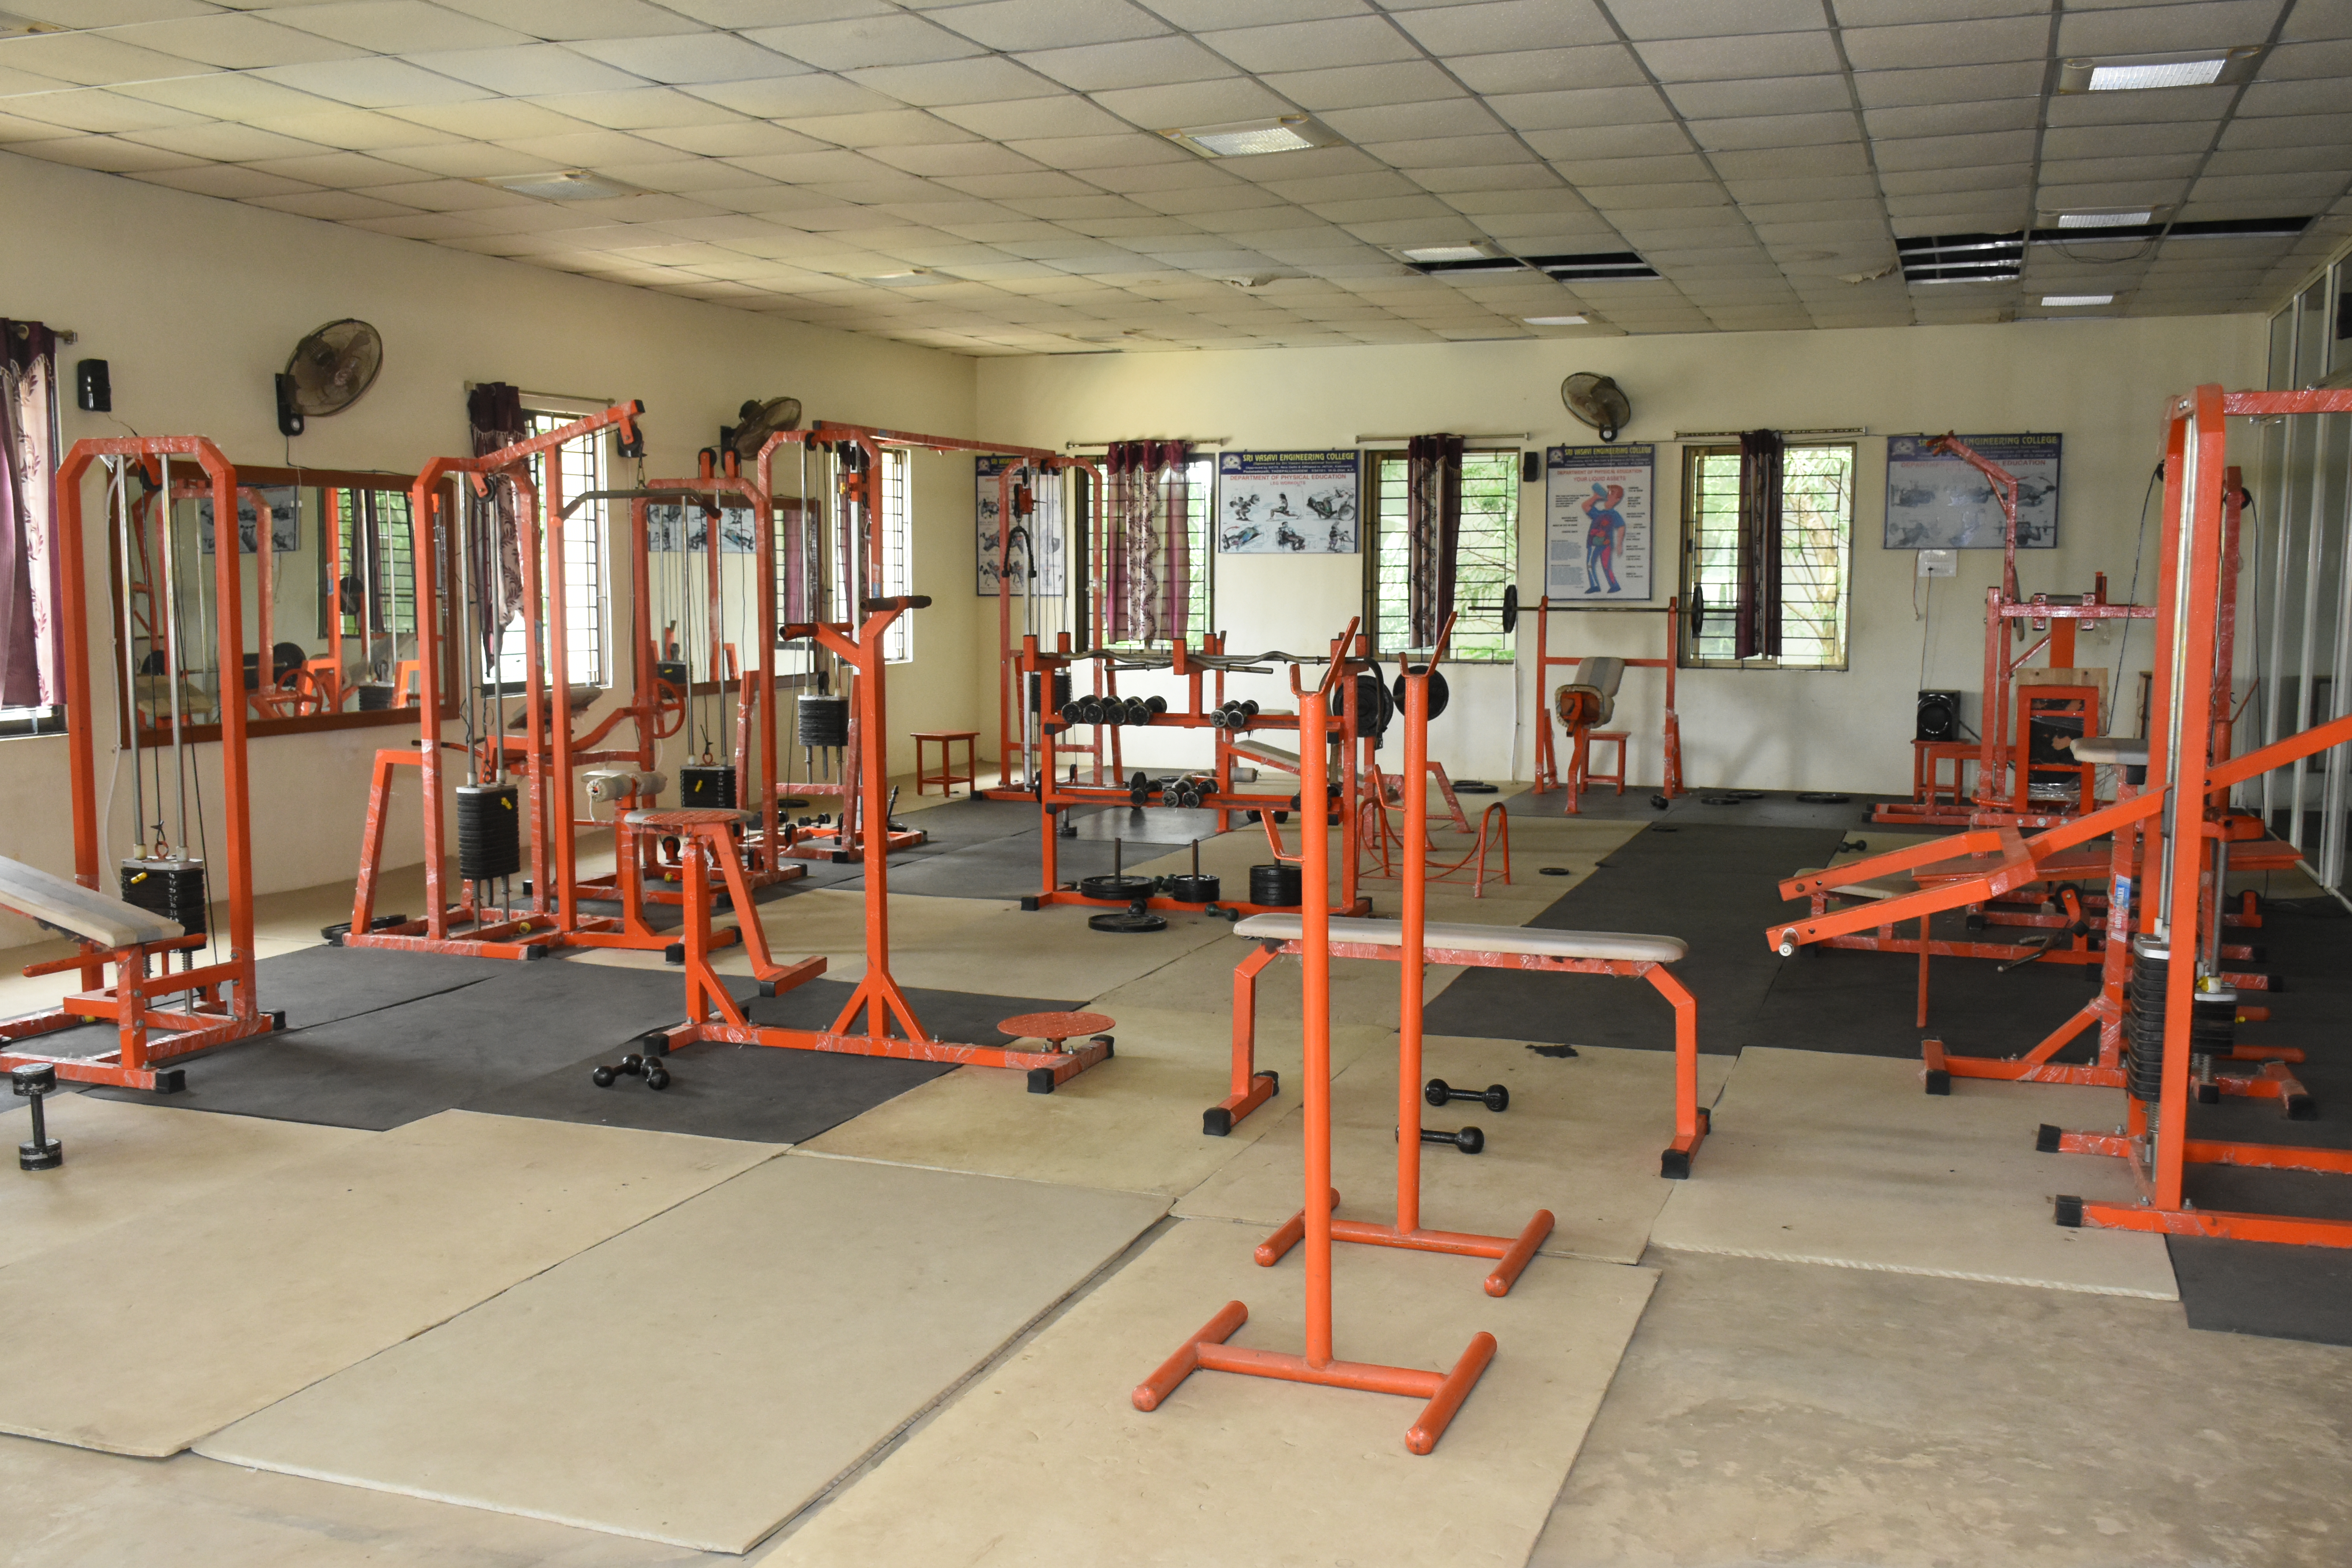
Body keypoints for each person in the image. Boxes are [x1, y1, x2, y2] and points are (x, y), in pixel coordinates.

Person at [1583, 483, 1627, 593]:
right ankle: (1595, 586)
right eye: (1609, 493)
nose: (1609, 495)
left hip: (1606, 544)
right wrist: (1595, 497)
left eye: (1612, 494)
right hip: (1593, 543)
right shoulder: (1598, 513)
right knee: (1590, 564)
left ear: (1617, 499)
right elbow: (1585, 506)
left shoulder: (1614, 514)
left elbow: (1621, 527)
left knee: (1607, 565)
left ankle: (1615, 585)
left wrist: (1619, 544)